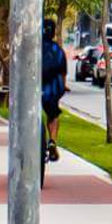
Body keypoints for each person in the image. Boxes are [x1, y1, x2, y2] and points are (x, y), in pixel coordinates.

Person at [40, 19, 67, 164]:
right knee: (53, 115)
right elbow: (63, 74)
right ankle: (52, 140)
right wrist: (63, 88)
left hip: (34, 89)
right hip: (52, 90)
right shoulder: (58, 50)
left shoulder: (33, 48)